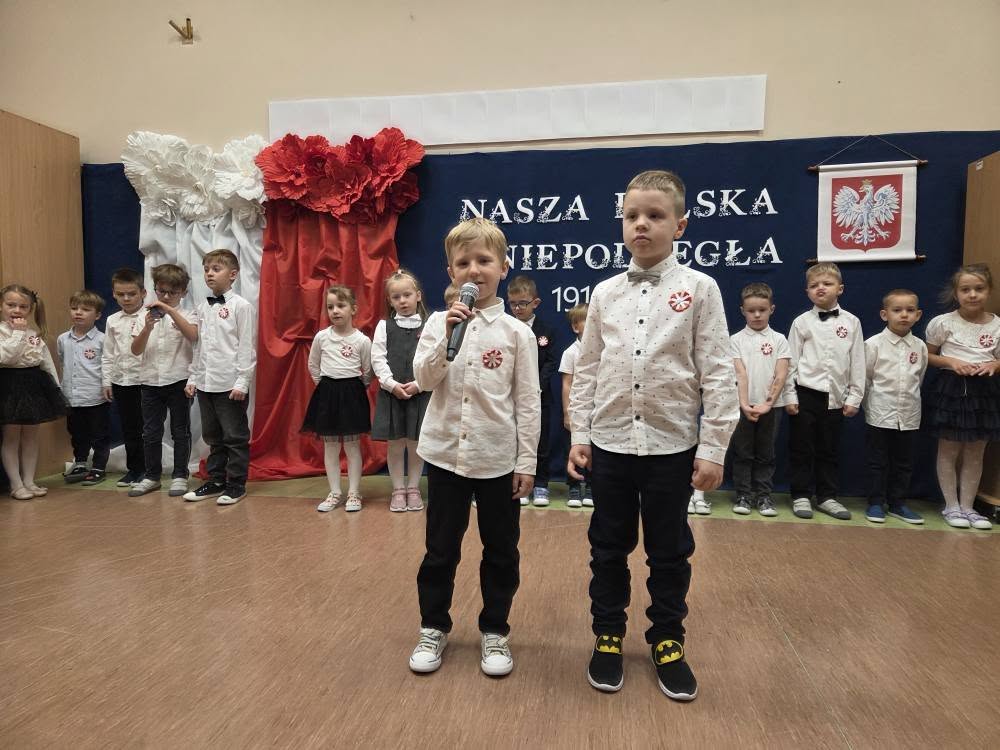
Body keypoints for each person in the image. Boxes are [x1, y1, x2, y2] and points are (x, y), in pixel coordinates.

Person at [568, 170, 737, 702]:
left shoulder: (700, 289)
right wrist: (580, 433)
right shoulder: (605, 293)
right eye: (632, 216)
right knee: (607, 548)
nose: (641, 224)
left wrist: (714, 447)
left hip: (671, 447)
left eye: (655, 216)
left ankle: (667, 639)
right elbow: (588, 368)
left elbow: (717, 370)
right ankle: (608, 635)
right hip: (611, 443)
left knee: (669, 552)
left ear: (679, 225)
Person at [408, 217, 540, 678]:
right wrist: (446, 335)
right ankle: (433, 626)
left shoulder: (518, 334)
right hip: (446, 455)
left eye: (484, 260)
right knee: (440, 549)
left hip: (497, 458)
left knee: (501, 551)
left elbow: (528, 401)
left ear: (503, 267)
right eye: (463, 263)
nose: (474, 270)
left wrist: (527, 461)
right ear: (451, 272)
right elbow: (424, 379)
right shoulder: (437, 322)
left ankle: (495, 631)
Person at [785, 262, 865, 520]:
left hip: (837, 396)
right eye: (814, 285)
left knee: (829, 449)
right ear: (807, 291)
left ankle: (827, 497)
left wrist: (855, 396)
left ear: (840, 288)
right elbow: (790, 361)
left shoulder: (852, 322)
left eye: (827, 283)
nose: (820, 288)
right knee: (801, 448)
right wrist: (789, 395)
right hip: (806, 393)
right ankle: (800, 494)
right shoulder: (801, 322)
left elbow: (858, 361)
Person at [924, 263, 1000, 530]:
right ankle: (951, 505)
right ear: (956, 293)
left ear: (989, 290)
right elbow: (927, 355)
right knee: (949, 449)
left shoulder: (997, 325)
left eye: (979, 289)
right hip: (952, 391)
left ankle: (968, 506)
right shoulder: (943, 323)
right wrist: (951, 361)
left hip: (984, 393)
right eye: (966, 289)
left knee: (976, 451)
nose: (972, 294)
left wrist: (994, 365)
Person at [184, 249, 256, 506]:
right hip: (206, 384)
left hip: (229, 384)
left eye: (216, 269)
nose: (209, 274)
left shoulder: (242, 306)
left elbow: (246, 346)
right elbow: (199, 346)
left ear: (233, 274)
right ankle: (216, 481)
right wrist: (193, 378)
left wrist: (242, 382)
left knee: (234, 437)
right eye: (206, 269)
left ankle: (236, 484)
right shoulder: (203, 307)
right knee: (213, 437)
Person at [128, 264, 199, 498]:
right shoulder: (143, 315)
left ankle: (180, 475)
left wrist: (169, 310)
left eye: (172, 292)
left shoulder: (189, 313)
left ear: (183, 292)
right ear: (155, 289)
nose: (166, 296)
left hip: (179, 379)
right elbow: (136, 350)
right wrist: (147, 328)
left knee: (180, 431)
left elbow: (193, 336)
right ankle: (152, 476)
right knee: (150, 432)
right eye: (161, 291)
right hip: (150, 381)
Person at [302, 284, 374, 512]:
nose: (335, 311)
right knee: (331, 447)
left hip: (352, 394)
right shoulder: (322, 337)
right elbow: (313, 365)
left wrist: (354, 388)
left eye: (340, 305)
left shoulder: (362, 341)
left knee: (352, 446)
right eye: (330, 307)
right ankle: (334, 492)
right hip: (327, 394)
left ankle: (354, 492)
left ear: (353, 309)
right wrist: (325, 386)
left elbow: (368, 371)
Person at [862, 289, 927, 525]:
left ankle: (898, 503)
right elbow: (865, 379)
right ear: (884, 314)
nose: (904, 315)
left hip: (909, 414)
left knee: (904, 462)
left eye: (910, 310)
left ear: (918, 315)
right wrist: (870, 406)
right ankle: (875, 502)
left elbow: (919, 378)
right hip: (880, 412)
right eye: (897, 310)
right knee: (877, 461)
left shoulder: (919, 347)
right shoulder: (873, 344)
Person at [728, 282, 791, 517]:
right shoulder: (735, 340)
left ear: (771, 309)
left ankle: (764, 496)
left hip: (771, 408)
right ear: (742, 311)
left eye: (762, 310)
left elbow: (781, 374)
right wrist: (745, 404)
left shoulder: (779, 339)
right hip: (742, 406)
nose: (756, 315)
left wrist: (767, 404)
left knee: (767, 453)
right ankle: (743, 495)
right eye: (751, 310)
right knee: (742, 452)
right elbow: (740, 373)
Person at [372, 269, 430, 512]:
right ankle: (398, 489)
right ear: (390, 300)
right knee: (395, 444)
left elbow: (434, 359)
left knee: (416, 444)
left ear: (418, 296)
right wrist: (391, 384)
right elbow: (377, 358)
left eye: (407, 295)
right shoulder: (384, 326)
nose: (403, 301)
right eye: (396, 297)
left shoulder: (430, 325)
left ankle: (413, 488)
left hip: (420, 393)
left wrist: (419, 384)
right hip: (392, 394)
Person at [0, 284, 65, 499]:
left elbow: (46, 363)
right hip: (8, 388)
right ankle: (16, 484)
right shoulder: (2, 332)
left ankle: (29, 480)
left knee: (31, 437)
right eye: (11, 305)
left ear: (30, 309)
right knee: (11, 437)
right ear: (1, 306)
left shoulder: (34, 335)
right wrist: (18, 333)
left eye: (23, 306)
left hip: (33, 388)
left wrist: (57, 390)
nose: (17, 310)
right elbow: (7, 358)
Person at [507, 275, 558, 507]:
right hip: (510, 397)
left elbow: (551, 363)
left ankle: (541, 484)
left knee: (540, 442)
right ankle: (516, 484)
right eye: (513, 304)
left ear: (535, 303)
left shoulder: (546, 331)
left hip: (540, 396)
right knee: (514, 440)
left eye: (523, 303)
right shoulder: (506, 329)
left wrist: (534, 386)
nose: (517, 308)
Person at [58, 290, 110, 486]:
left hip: (95, 397)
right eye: (74, 308)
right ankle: (80, 463)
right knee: (77, 433)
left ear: (97, 315)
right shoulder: (63, 339)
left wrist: (106, 385)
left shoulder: (102, 339)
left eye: (85, 309)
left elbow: (107, 364)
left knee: (99, 434)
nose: (78, 312)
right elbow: (63, 362)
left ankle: (98, 467)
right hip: (72, 397)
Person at [101, 268, 147, 486]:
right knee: (129, 428)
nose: (126, 298)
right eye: (121, 294)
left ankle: (149, 470)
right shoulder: (112, 320)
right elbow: (108, 353)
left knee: (147, 428)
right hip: (121, 381)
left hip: (145, 381)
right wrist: (106, 381)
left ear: (143, 293)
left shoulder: (150, 316)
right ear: (113, 294)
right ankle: (134, 470)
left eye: (131, 294)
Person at [559, 303, 592, 508]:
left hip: (597, 410)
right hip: (576, 411)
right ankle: (573, 486)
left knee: (594, 449)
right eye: (587, 321)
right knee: (571, 448)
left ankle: (591, 487)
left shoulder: (604, 350)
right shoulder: (570, 353)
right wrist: (567, 413)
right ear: (575, 326)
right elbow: (567, 384)